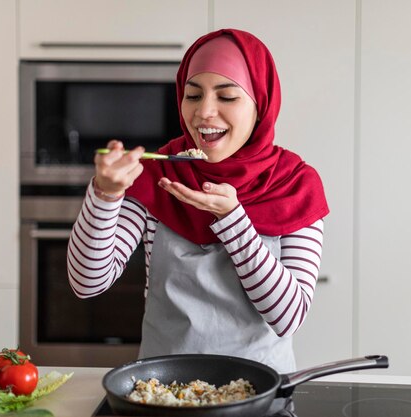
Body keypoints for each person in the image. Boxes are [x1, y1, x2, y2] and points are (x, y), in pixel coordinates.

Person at [67, 28, 329, 373]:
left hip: (259, 393)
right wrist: (105, 194)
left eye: (227, 97)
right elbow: (86, 283)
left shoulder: (294, 184)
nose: (204, 112)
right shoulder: (156, 175)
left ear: (260, 104)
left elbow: (289, 317)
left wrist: (233, 220)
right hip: (162, 391)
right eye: (193, 95)